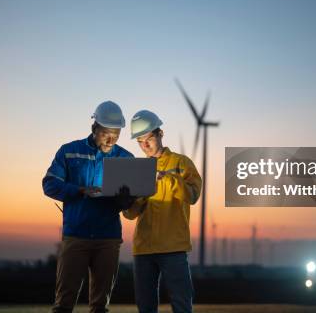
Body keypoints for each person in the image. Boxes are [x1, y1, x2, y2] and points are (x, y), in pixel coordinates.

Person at [42, 101, 134, 313]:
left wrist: (125, 199)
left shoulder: (125, 159)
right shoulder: (69, 152)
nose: (111, 139)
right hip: (76, 236)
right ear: (94, 128)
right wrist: (79, 190)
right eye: (106, 133)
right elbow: (49, 185)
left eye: (116, 134)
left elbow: (129, 205)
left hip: (108, 238)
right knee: (64, 303)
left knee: (100, 306)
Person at [123, 110, 202, 313]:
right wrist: (141, 194)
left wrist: (167, 178)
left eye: (148, 138)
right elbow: (129, 214)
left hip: (173, 246)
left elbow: (192, 196)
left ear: (160, 134)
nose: (145, 145)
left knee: (182, 303)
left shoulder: (182, 163)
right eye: (140, 141)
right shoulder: (136, 169)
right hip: (143, 248)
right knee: (145, 306)